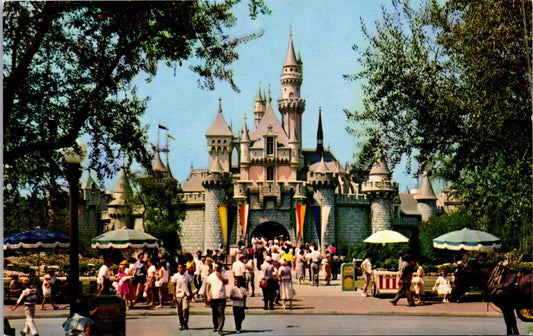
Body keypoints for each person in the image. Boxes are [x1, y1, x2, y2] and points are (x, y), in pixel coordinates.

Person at [206, 261, 229, 335]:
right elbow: (208, 286)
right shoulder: (211, 275)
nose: (216, 269)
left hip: (222, 296)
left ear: (220, 268)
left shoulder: (224, 274)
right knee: (214, 313)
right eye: (215, 267)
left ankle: (220, 328)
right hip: (213, 297)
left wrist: (220, 277)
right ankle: (215, 325)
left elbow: (226, 282)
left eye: (218, 267)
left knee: (221, 312)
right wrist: (208, 296)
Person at [171, 263, 192, 331]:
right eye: (180, 267)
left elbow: (189, 285)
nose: (181, 269)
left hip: (185, 294)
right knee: (179, 311)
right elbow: (174, 286)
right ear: (178, 268)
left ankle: (185, 322)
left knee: (185, 309)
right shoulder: (175, 276)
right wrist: (174, 296)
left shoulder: (187, 276)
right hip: (178, 295)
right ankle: (181, 323)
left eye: (182, 267)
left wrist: (190, 294)